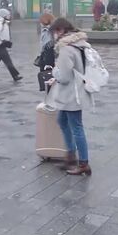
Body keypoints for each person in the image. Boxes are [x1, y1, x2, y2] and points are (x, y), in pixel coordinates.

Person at [46, 18, 92, 176]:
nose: (54, 35)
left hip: (72, 94)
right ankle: (70, 156)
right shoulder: (79, 44)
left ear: (61, 30)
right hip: (74, 92)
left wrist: (54, 72)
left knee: (76, 127)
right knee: (62, 121)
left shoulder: (66, 49)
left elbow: (64, 77)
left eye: (54, 32)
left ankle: (84, 163)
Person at [37, 13, 56, 92]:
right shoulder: (48, 30)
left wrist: (46, 62)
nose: (40, 23)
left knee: (48, 76)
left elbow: (48, 46)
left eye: (41, 21)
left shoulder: (48, 31)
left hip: (48, 58)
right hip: (46, 56)